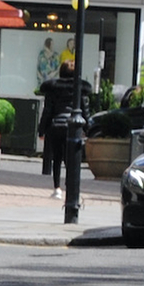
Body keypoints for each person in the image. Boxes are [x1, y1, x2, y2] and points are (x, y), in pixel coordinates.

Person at [37, 56, 91, 193]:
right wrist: (88, 129)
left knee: (57, 157)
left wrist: (42, 130)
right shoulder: (80, 89)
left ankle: (57, 188)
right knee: (71, 158)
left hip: (56, 126)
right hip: (73, 128)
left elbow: (47, 111)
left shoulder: (53, 88)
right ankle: (70, 186)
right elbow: (85, 111)